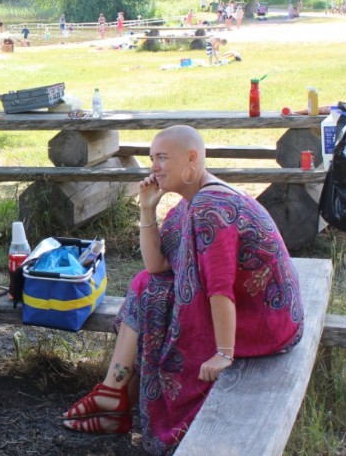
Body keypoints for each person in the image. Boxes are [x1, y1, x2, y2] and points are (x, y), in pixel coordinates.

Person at [60, 125, 304, 455]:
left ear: (192, 158)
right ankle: (114, 392)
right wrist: (147, 209)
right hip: (252, 309)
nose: (154, 166)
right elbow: (156, 266)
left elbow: (220, 290)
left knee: (156, 298)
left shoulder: (209, 207)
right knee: (147, 285)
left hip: (266, 322)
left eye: (162, 158)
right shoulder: (192, 202)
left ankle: (116, 399)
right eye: (151, 159)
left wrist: (224, 353)